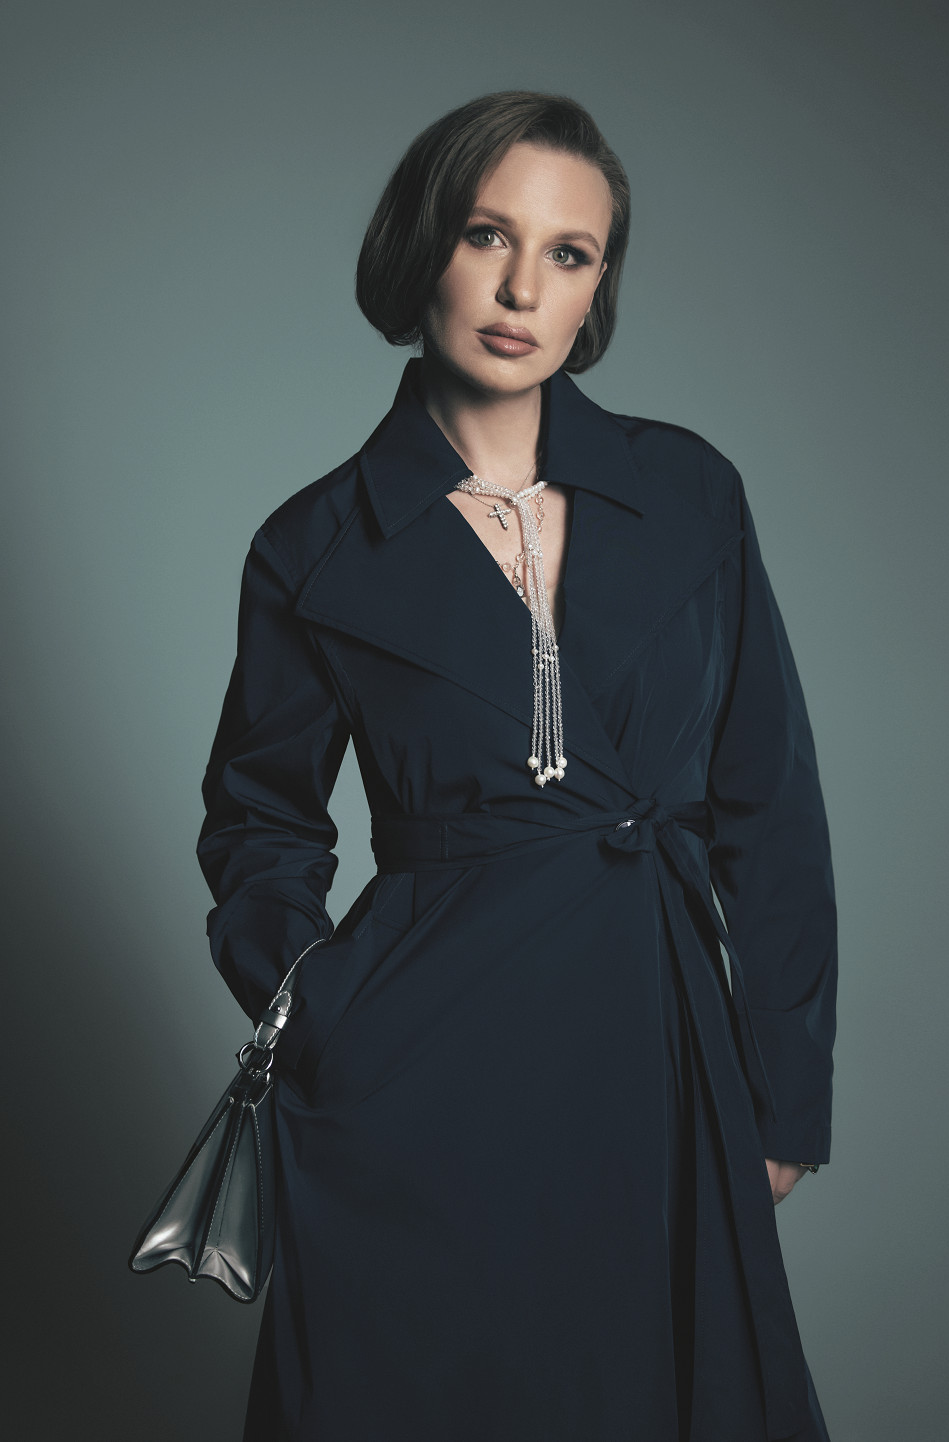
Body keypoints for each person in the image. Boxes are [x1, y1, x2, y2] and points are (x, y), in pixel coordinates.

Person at [197, 90, 837, 1442]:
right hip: (419, 1076)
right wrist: (321, 1016)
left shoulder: (691, 495)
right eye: (487, 234)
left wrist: (783, 1089)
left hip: (655, 1050)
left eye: (568, 252)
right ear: (422, 241)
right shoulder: (314, 546)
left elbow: (770, 802)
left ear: (599, 286)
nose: (521, 289)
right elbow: (259, 820)